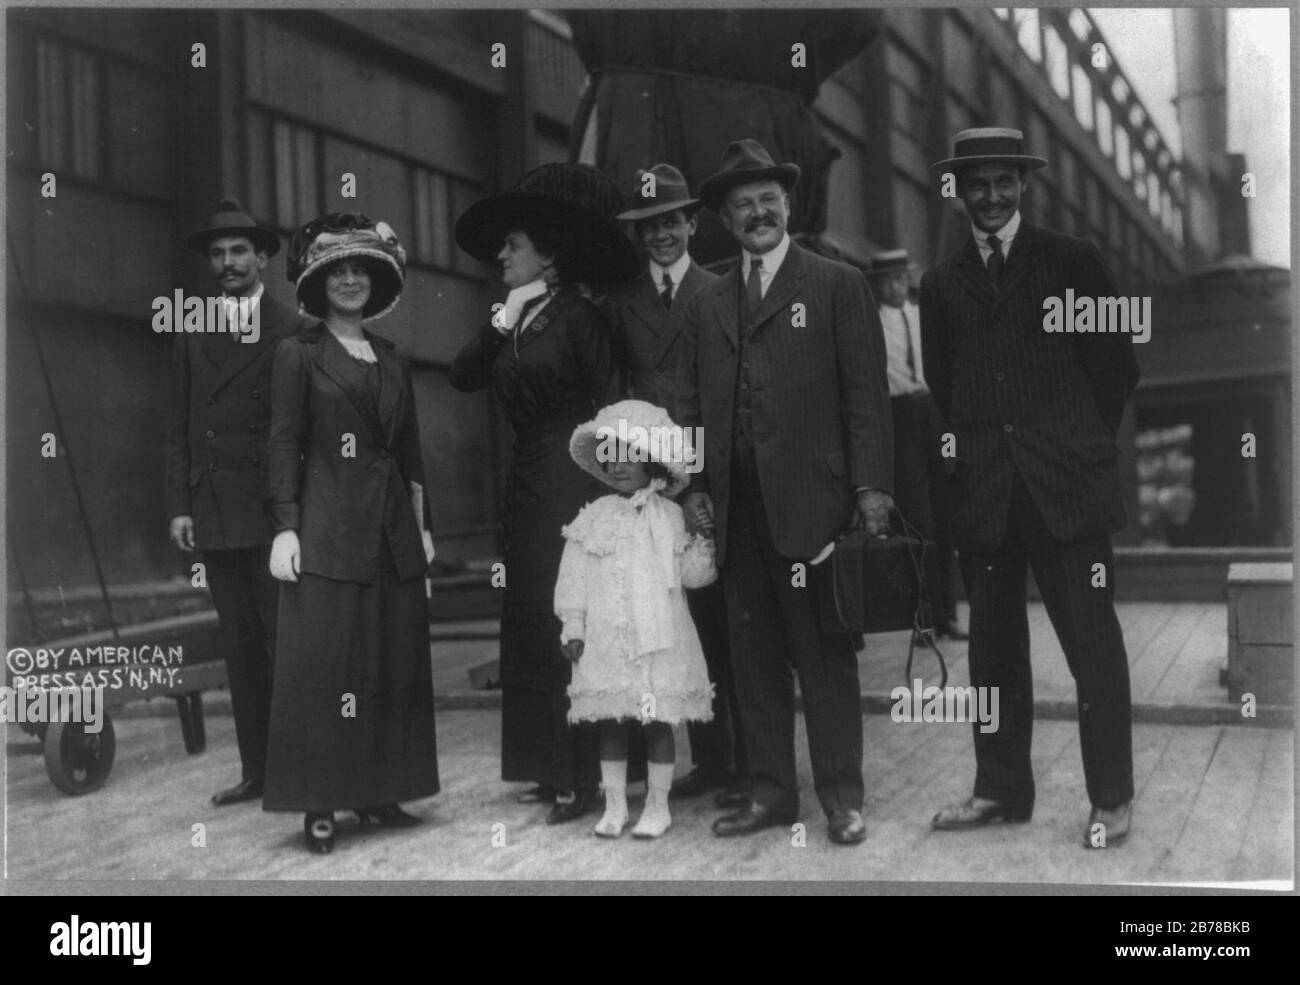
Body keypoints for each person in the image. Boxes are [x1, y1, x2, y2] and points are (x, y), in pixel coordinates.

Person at [920, 128, 1139, 847]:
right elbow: (943, 389)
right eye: (974, 184)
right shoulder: (941, 283)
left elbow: (1116, 368)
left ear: (1024, 184)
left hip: (1066, 488)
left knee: (1092, 648)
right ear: (957, 192)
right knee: (993, 654)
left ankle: (1111, 796)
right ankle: (1000, 789)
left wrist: (1076, 445)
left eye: (1002, 182)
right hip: (984, 493)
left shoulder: (1073, 261)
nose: (989, 196)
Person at [677, 139, 895, 845]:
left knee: (825, 659)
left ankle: (843, 799)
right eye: (742, 204)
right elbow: (694, 401)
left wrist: (869, 489)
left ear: (789, 204)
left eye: (768, 198)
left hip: (816, 508)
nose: (758, 212)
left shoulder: (836, 284)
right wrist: (694, 489)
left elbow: (867, 397)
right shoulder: (709, 299)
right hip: (737, 514)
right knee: (753, 663)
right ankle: (773, 794)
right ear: (726, 220)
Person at [450, 163, 639, 825]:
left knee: (571, 620)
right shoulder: (513, 319)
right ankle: (540, 760)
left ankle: (581, 771)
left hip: (573, 478)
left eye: (514, 244)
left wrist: (616, 496)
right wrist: (500, 323)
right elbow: (462, 375)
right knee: (529, 615)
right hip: (526, 478)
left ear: (548, 255)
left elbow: (613, 401)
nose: (502, 253)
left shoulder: (581, 317)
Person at [263, 213, 439, 854]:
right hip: (327, 529)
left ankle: (380, 792)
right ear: (316, 284)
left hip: (392, 531)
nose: (349, 280)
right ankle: (318, 802)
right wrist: (285, 527)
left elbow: (411, 453)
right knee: (325, 669)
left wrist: (423, 530)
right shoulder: (298, 354)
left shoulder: (394, 358)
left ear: (376, 280)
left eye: (359, 270)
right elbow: (283, 443)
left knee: (390, 663)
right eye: (337, 271)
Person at [607, 163, 749, 808]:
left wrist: (699, 484)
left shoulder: (723, 291)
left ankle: (748, 760)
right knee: (675, 623)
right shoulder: (620, 303)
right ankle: (710, 760)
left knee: (727, 622)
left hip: (712, 483)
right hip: (651, 487)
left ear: (692, 223)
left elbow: (731, 397)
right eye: (649, 226)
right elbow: (615, 398)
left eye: (671, 221)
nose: (661, 235)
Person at [166, 199, 309, 807]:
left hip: (274, 514)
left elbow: (302, 431)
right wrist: (180, 504)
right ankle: (257, 771)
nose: (227, 263)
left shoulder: (295, 328)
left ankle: (302, 770)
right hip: (217, 510)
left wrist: (295, 515)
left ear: (262, 258)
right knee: (241, 646)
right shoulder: (192, 331)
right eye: (218, 254)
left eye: (238, 252)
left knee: (286, 644)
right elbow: (178, 422)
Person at [555, 400, 718, 838]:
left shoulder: (669, 516)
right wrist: (573, 625)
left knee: (655, 721)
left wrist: (702, 540)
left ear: (652, 462)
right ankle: (614, 805)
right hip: (609, 637)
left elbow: (693, 577)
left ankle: (657, 805)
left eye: (630, 456)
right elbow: (574, 578)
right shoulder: (594, 518)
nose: (620, 467)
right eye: (611, 457)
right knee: (612, 719)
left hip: (658, 637)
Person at [867, 248, 966, 641]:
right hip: (899, 415)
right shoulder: (872, 324)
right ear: (877, 284)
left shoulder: (925, 317)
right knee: (916, 519)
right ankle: (924, 619)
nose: (895, 286)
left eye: (900, 277)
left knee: (944, 514)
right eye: (887, 280)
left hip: (933, 413)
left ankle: (949, 617)